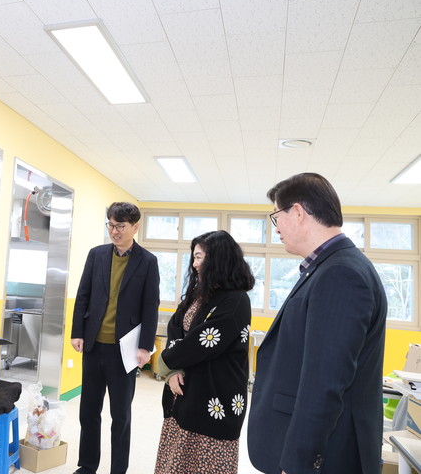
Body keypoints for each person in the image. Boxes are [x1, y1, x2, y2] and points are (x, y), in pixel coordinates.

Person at [247, 173, 387, 474]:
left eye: (276, 217)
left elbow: (325, 383)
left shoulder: (340, 274)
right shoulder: (330, 267)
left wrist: (298, 462)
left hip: (328, 455)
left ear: (297, 212)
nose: (276, 228)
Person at [154, 230, 254, 474]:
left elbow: (202, 342)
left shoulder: (236, 300)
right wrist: (173, 371)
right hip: (185, 395)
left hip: (215, 401)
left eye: (199, 257)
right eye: (194, 257)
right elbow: (175, 325)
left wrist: (165, 362)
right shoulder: (200, 293)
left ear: (218, 260)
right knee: (176, 463)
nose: (195, 264)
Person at [70, 201, 160, 474]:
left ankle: (118, 469)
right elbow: (83, 295)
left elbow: (150, 307)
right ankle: (87, 466)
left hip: (125, 351)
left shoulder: (147, 261)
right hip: (94, 346)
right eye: (110, 225)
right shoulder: (96, 255)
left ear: (135, 227)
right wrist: (77, 332)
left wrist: (145, 347)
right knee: (88, 411)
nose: (114, 231)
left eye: (120, 226)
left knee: (120, 415)